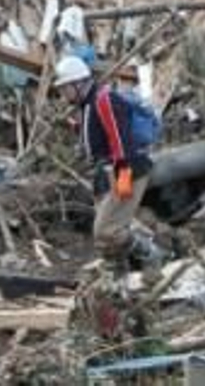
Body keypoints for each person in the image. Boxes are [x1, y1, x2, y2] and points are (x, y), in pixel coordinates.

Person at [54, 55, 154, 259]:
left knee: (105, 230)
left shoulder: (103, 100)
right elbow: (96, 136)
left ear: (78, 83)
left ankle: (154, 254)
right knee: (105, 239)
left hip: (125, 170)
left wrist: (123, 181)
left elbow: (119, 140)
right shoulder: (88, 105)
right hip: (105, 174)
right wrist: (73, 127)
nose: (63, 94)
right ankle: (121, 271)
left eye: (65, 88)